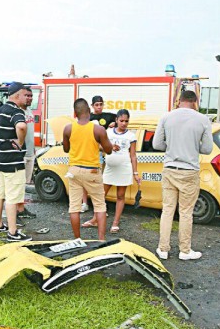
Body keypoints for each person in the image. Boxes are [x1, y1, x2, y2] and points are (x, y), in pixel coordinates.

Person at [153, 90, 213, 261]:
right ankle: (185, 250)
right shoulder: (203, 120)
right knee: (186, 212)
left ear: (179, 101)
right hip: (189, 171)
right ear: (195, 102)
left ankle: (163, 248)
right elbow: (207, 149)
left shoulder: (166, 117)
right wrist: (193, 146)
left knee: (167, 210)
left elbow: (157, 144)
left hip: (170, 168)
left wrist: (172, 146)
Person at [62, 98, 113, 241]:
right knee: (100, 205)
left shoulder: (68, 128)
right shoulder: (98, 129)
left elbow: (66, 149)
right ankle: (101, 239)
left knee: (74, 207)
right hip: (92, 171)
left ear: (75, 113)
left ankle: (77, 239)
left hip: (74, 171)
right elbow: (108, 150)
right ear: (89, 111)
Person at [82, 109, 140, 233]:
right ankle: (95, 219)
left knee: (120, 196)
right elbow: (99, 146)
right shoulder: (108, 132)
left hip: (124, 168)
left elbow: (133, 155)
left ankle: (115, 223)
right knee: (101, 195)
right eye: (121, 120)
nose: (124, 123)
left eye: (126, 121)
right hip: (109, 169)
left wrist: (135, 173)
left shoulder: (131, 136)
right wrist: (110, 146)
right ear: (116, 120)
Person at [0, 82, 31, 242]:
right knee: (12, 198)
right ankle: (13, 232)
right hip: (13, 163)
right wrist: (20, 142)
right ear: (17, 95)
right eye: (24, 95)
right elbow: (21, 126)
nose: (26, 98)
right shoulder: (16, 112)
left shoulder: (0, 110)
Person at [81, 95, 117, 213]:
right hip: (88, 152)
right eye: (96, 105)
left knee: (98, 180)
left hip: (102, 153)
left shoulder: (109, 116)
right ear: (92, 106)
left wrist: (114, 124)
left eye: (101, 104)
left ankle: (98, 206)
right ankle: (84, 203)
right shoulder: (88, 117)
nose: (99, 107)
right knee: (85, 179)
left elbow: (121, 119)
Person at [18, 86, 37, 220]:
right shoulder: (17, 112)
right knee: (17, 184)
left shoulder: (29, 111)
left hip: (30, 153)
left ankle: (21, 208)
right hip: (21, 155)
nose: (29, 98)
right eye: (27, 95)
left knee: (24, 183)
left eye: (31, 96)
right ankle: (15, 212)